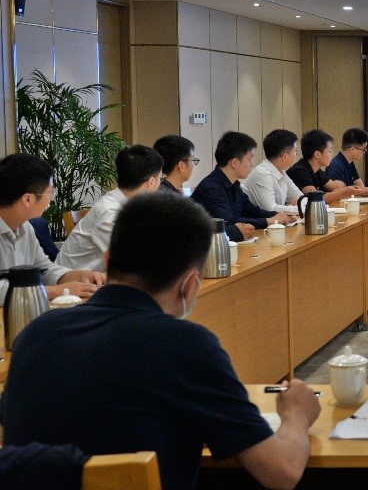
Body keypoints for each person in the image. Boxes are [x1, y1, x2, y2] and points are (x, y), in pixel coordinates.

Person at [0, 192, 321, 490]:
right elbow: (282, 471)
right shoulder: (186, 345)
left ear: (108, 261)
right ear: (190, 284)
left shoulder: (35, 334)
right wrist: (296, 414)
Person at [0, 154, 105, 300]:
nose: (51, 199)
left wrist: (79, 275)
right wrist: (55, 291)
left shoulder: (25, 227)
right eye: (50, 192)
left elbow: (44, 270)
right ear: (28, 199)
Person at [59, 145, 164, 272]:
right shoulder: (109, 212)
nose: (160, 184)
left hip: (100, 277)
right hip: (74, 281)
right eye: (160, 178)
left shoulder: (129, 205)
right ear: (151, 182)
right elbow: (131, 260)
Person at [191, 131, 293, 241]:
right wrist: (270, 221)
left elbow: (252, 211)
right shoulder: (211, 188)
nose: (252, 164)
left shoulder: (234, 184)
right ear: (234, 162)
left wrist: (280, 215)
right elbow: (229, 222)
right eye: (249, 159)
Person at [287, 129, 362, 204]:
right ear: (317, 154)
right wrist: (344, 193)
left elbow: (337, 188)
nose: (331, 154)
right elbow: (315, 199)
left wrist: (342, 191)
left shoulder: (317, 171)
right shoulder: (300, 171)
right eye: (329, 151)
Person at [244, 129, 305, 216]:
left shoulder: (281, 172)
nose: (297, 154)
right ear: (285, 156)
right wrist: (298, 208)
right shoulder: (263, 174)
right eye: (295, 151)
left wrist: (297, 205)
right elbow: (270, 210)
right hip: (251, 222)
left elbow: (303, 198)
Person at [327, 127, 368, 192]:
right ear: (352, 149)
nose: (364, 152)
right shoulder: (335, 165)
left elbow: (360, 187)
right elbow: (341, 192)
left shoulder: (350, 163)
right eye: (363, 149)